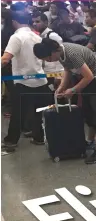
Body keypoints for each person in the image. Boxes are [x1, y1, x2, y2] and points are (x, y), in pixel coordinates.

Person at [33, 38, 96, 164]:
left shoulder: (72, 53)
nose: (48, 61)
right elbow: (68, 70)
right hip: (85, 77)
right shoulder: (61, 54)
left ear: (53, 51)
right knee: (88, 111)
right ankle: (90, 141)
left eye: (47, 58)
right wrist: (62, 87)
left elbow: (89, 76)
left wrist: (73, 90)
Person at [1, 10, 50, 153]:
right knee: (37, 112)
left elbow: (5, 59)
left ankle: (11, 142)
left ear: (14, 22)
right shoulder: (36, 36)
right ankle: (39, 137)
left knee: (18, 113)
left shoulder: (17, 37)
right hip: (40, 80)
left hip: (23, 82)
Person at [32, 12, 64, 88]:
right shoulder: (40, 36)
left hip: (55, 73)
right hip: (46, 72)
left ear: (46, 22)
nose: (34, 24)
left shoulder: (52, 36)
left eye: (37, 21)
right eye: (33, 22)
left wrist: (59, 76)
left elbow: (60, 56)